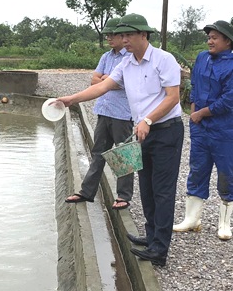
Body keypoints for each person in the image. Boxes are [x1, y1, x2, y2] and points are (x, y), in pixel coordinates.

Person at [57, 14, 184, 266]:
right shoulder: (126, 63)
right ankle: (151, 236)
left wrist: (147, 120)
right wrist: (70, 99)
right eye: (121, 35)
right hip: (142, 131)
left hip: (165, 131)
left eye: (128, 35)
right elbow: (101, 87)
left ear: (143, 35)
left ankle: (160, 249)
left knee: (163, 190)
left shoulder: (163, 60)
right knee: (146, 187)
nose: (123, 40)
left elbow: (173, 98)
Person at [173, 20, 233, 240]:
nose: (210, 41)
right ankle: (192, 219)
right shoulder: (202, 58)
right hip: (200, 128)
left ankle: (224, 223)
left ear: (228, 41)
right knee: (197, 168)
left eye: (215, 37)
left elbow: (230, 100)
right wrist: (194, 108)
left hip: (224, 131)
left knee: (227, 173)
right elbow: (195, 84)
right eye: (209, 37)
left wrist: (202, 113)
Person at [64, 17, 134, 210]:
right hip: (104, 111)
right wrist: (108, 81)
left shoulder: (129, 57)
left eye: (113, 35)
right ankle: (86, 192)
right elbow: (95, 80)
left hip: (123, 113)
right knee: (98, 153)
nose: (109, 38)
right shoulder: (106, 57)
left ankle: (124, 196)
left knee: (124, 154)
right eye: (107, 35)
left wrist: (106, 81)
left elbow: (123, 83)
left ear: (123, 36)